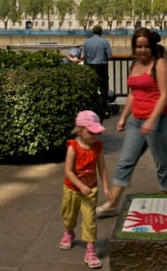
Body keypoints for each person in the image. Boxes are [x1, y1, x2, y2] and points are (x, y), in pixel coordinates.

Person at [96, 28, 167, 218]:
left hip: (159, 120)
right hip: (136, 120)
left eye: (146, 46)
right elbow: (132, 95)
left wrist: (152, 120)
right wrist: (123, 118)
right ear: (134, 47)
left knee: (162, 163)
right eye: (139, 46)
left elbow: (164, 96)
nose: (142, 50)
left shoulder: (160, 64)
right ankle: (113, 203)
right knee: (125, 162)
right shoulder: (134, 65)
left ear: (152, 47)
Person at [60, 110, 112, 269]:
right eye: (92, 132)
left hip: (91, 190)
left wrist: (105, 186)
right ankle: (69, 232)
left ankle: (90, 251)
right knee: (69, 215)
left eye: (97, 133)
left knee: (90, 220)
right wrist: (80, 185)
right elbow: (68, 171)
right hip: (72, 189)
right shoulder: (73, 147)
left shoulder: (97, 147)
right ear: (81, 130)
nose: (95, 136)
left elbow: (102, 168)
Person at [80, 25, 112, 119]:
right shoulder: (104, 42)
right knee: (104, 88)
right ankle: (103, 109)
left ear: (92, 32)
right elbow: (110, 56)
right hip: (102, 66)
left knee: (91, 87)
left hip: (90, 67)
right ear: (101, 32)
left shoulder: (86, 42)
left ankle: (91, 109)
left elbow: (82, 57)